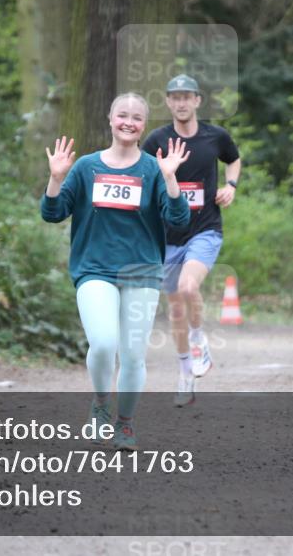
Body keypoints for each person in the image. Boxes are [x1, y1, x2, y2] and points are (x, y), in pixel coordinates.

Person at [41, 93, 191, 450]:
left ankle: (125, 423)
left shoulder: (153, 170)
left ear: (144, 125)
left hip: (141, 272)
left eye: (136, 118)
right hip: (94, 268)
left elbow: (179, 220)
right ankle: (101, 403)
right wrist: (56, 179)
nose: (128, 122)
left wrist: (170, 179)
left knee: (134, 353)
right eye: (122, 115)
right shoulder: (87, 167)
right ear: (110, 119)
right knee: (105, 343)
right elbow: (52, 213)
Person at [141, 75, 241, 407]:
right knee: (175, 310)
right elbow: (139, 172)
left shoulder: (215, 136)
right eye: (175, 97)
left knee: (188, 288)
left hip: (205, 229)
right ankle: (186, 374)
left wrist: (231, 186)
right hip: (167, 236)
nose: (181, 102)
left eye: (187, 96)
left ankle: (199, 341)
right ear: (168, 102)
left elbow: (234, 158)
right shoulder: (157, 139)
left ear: (198, 100)